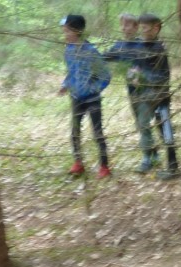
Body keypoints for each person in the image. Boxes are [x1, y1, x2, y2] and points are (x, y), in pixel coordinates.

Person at [58, 14, 112, 179]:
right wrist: (65, 85)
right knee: (74, 131)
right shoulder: (68, 50)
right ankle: (78, 163)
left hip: (92, 99)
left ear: (77, 31)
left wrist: (94, 88)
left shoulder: (90, 52)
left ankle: (104, 166)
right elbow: (71, 72)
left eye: (67, 31)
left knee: (97, 132)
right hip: (76, 98)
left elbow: (105, 75)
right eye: (64, 31)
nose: (65, 34)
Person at [127, 13, 180, 179]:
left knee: (165, 130)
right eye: (140, 28)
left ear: (156, 28)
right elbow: (135, 68)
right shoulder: (140, 46)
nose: (141, 31)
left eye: (144, 28)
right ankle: (152, 159)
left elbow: (163, 76)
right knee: (147, 126)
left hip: (160, 97)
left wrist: (144, 78)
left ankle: (173, 168)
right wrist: (133, 76)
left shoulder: (159, 49)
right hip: (144, 97)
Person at [102, 13, 143, 129]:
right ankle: (144, 136)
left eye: (127, 25)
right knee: (138, 115)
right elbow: (104, 57)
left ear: (136, 27)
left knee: (155, 112)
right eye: (122, 25)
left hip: (148, 86)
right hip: (132, 87)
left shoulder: (144, 44)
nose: (123, 28)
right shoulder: (119, 46)